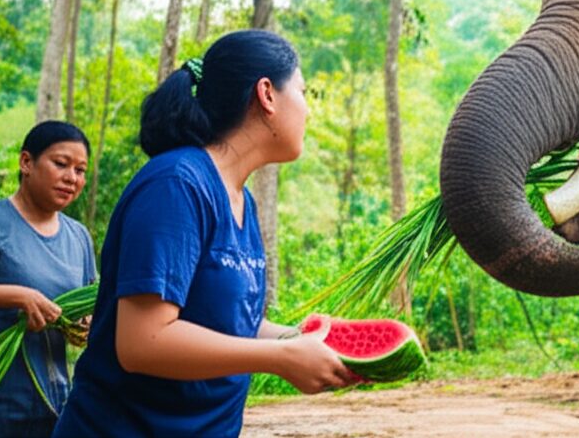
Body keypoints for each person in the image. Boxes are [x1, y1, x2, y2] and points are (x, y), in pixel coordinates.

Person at [54, 29, 354, 438]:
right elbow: (144, 341)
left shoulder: (241, 199)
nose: (307, 110)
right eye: (302, 91)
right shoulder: (176, 184)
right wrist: (280, 356)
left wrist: (303, 338)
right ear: (267, 94)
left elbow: (233, 326)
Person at [0, 121, 97, 438]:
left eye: (80, 170)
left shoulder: (79, 237)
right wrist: (19, 297)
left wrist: (84, 325)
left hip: (55, 406)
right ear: (26, 163)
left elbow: (87, 306)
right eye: (61, 164)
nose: (71, 178)